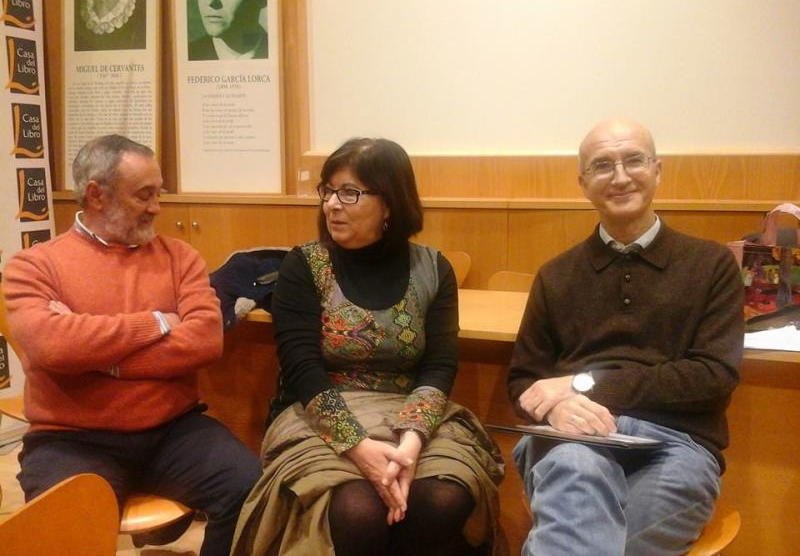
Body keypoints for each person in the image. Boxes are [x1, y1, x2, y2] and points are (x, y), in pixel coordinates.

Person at [231, 138, 504, 556]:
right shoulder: (305, 265)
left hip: (411, 412)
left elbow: (439, 365)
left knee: (443, 498)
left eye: (349, 193)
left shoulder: (433, 268)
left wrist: (410, 443)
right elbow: (302, 368)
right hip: (320, 412)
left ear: (389, 203)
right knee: (356, 509)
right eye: (328, 190)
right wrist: (358, 447)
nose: (332, 205)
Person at [3, 135, 261, 556]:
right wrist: (158, 321)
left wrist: (101, 359)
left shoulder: (181, 258)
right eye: (144, 195)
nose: (156, 207)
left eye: (158, 193)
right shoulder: (34, 266)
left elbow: (204, 342)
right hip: (71, 439)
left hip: (173, 430)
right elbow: (50, 347)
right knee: (62, 526)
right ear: (96, 195)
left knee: (251, 489)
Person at [507, 118, 744, 556]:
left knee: (581, 540)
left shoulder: (711, 265)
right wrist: (556, 407)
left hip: (677, 445)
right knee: (573, 468)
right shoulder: (556, 275)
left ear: (657, 170)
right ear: (583, 183)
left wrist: (584, 384)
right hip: (573, 438)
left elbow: (713, 375)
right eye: (602, 165)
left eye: (633, 160)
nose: (620, 177)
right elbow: (524, 381)